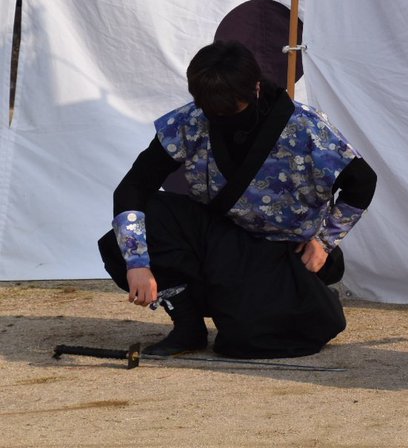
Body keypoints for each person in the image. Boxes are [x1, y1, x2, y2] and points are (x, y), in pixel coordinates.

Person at [98, 40, 377, 358]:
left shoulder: (305, 127)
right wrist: (137, 262)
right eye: (211, 111)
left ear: (256, 88)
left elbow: (362, 182)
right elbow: (133, 187)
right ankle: (187, 326)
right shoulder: (191, 121)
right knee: (129, 233)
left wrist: (324, 242)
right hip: (220, 237)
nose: (220, 117)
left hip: (278, 251)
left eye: (231, 111)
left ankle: (307, 298)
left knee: (244, 342)